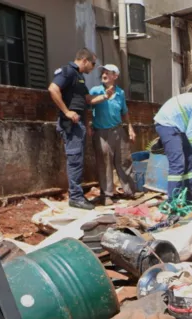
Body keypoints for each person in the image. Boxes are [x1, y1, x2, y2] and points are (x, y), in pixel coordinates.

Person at [48, 48, 115, 210]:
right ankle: (75, 197)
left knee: (78, 160)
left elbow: (88, 99)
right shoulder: (68, 72)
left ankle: (77, 195)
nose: (93, 68)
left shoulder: (79, 78)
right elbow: (53, 89)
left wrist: (105, 96)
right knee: (75, 160)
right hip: (71, 125)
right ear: (84, 60)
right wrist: (67, 111)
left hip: (79, 125)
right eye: (92, 64)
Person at [88, 64, 137, 205]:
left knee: (124, 161)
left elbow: (124, 112)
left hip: (118, 130)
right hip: (101, 132)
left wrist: (130, 128)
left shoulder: (120, 93)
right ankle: (107, 194)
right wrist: (89, 124)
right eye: (103, 72)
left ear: (115, 76)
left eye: (108, 72)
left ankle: (129, 192)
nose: (104, 74)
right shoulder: (95, 90)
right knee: (105, 164)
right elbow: (88, 107)